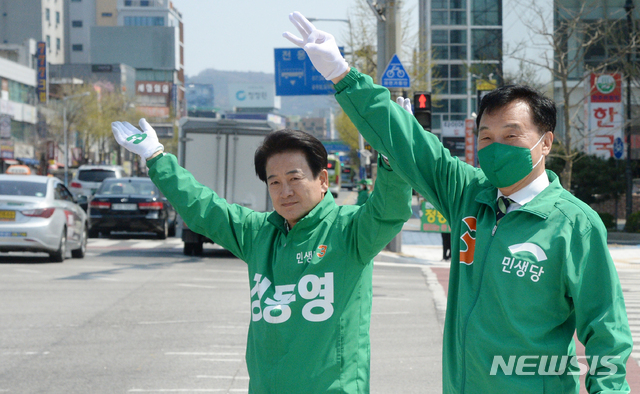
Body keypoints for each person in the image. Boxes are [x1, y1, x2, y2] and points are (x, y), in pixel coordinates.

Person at [283, 11, 633, 393]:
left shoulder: (574, 225)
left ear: (545, 142)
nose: (495, 148)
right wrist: (342, 75)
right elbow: (408, 143)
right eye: (486, 138)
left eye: (511, 136)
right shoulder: (468, 194)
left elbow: (607, 332)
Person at [111, 120, 413, 393]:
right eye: (275, 182)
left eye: (295, 179)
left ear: (322, 180)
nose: (285, 192)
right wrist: (156, 158)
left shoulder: (350, 231)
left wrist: (392, 155)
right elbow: (204, 209)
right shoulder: (258, 234)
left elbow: (390, 209)